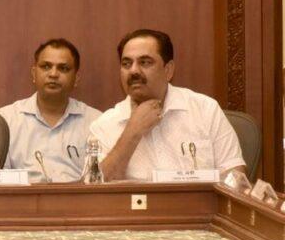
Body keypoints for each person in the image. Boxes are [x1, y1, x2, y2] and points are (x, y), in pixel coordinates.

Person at [90, 29, 246, 181]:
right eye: (126, 64)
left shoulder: (205, 110)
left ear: (168, 70)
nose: (134, 70)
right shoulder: (104, 125)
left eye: (145, 62)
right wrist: (132, 132)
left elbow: (235, 177)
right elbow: (96, 188)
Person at [0, 38, 101, 182]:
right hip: (25, 196)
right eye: (46, 66)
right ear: (34, 74)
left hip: (78, 196)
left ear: (76, 78)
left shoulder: (96, 122)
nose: (53, 74)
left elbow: (100, 180)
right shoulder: (5, 120)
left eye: (63, 68)